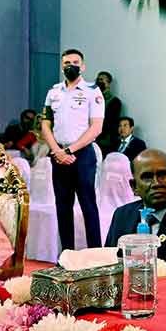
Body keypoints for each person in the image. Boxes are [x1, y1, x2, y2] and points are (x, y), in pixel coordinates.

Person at [41, 48, 105, 249]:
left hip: (83, 154)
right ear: (62, 67)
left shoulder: (92, 92)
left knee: (88, 205)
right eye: (67, 63)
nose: (71, 66)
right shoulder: (53, 92)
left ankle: (96, 254)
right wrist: (57, 151)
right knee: (62, 207)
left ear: (83, 66)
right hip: (58, 154)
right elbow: (45, 124)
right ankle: (66, 254)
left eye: (75, 63)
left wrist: (70, 151)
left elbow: (96, 127)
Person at [95, 71, 123, 155]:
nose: (98, 82)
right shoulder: (94, 99)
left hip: (105, 142)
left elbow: (109, 123)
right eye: (98, 79)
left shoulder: (114, 101)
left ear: (108, 83)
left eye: (101, 80)